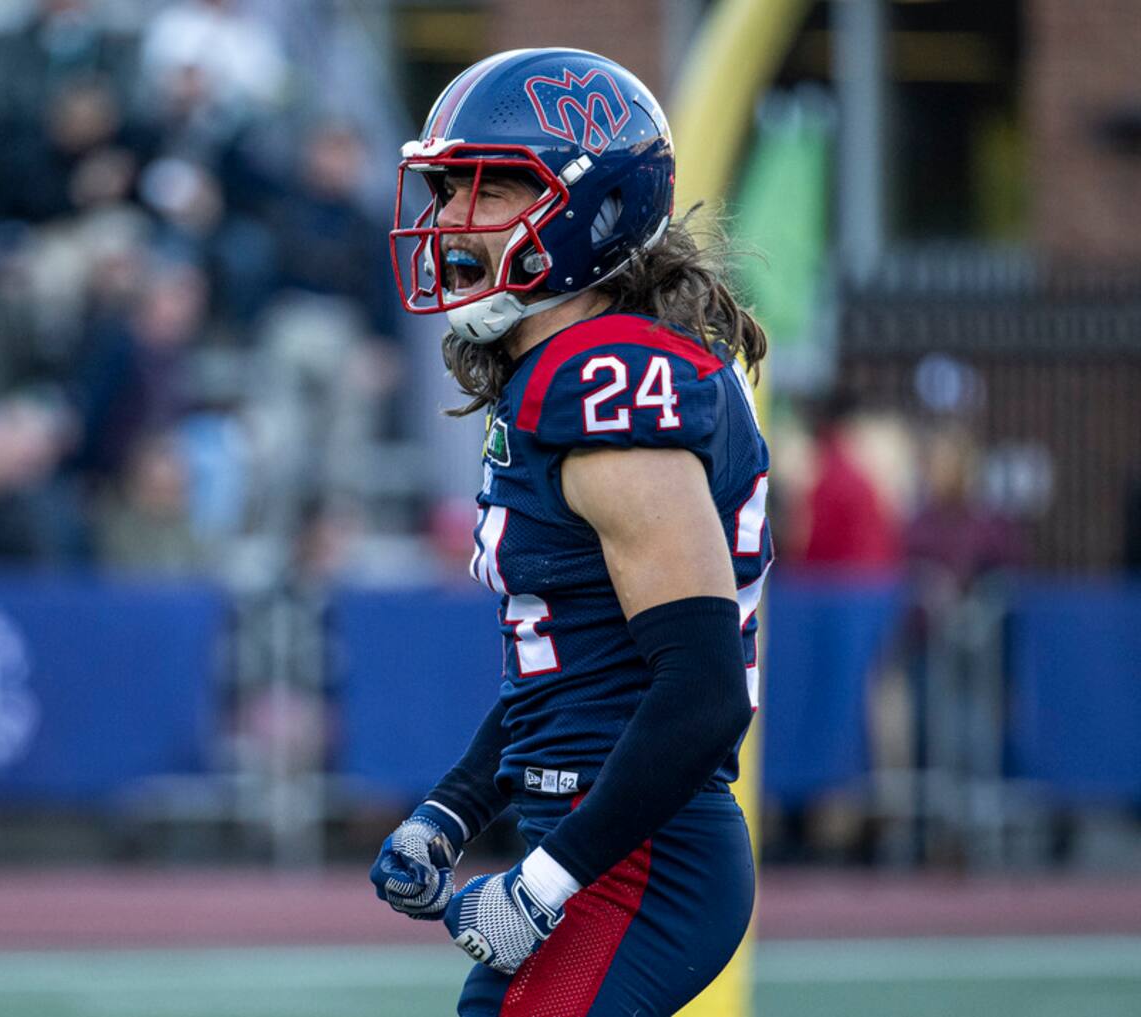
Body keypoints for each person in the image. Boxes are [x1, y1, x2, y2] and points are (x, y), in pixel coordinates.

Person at [368, 49, 773, 1017]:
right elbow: (580, 672)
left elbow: (702, 691)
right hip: (605, 835)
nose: (450, 222)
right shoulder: (563, 374)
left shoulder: (601, 381)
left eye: (490, 191)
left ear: (588, 211)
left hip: (641, 857)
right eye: (447, 191)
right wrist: (454, 807)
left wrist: (542, 882)